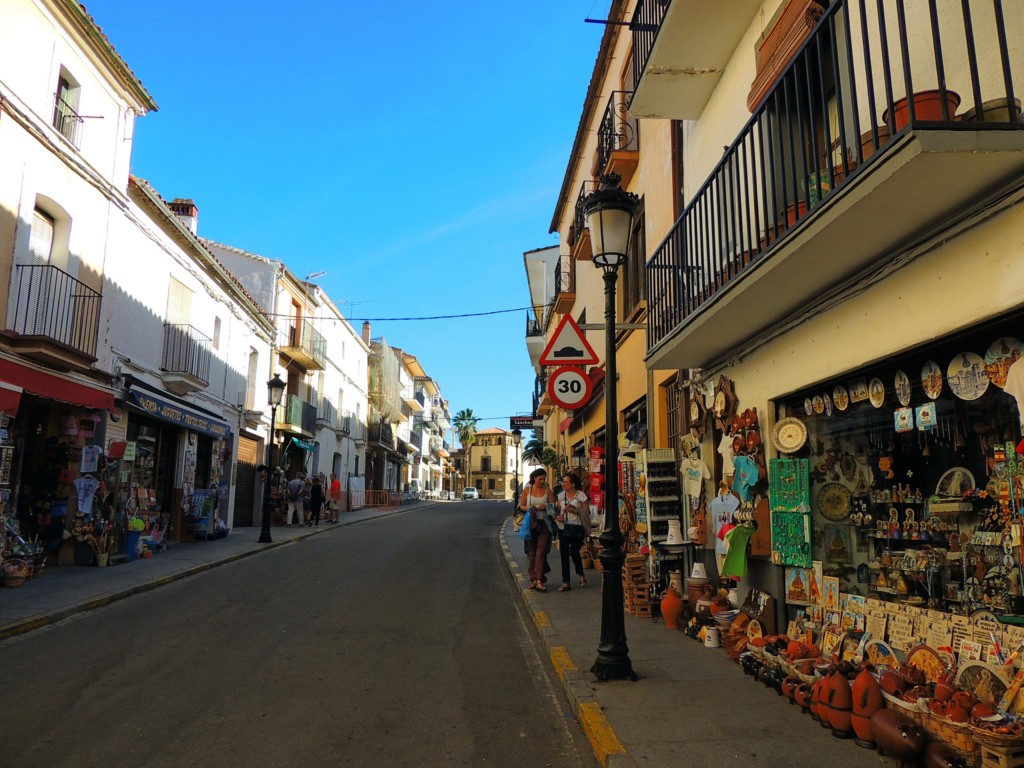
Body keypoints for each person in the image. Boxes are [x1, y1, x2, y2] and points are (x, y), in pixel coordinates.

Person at [518, 468, 556, 591]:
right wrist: (532, 508)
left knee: (540, 553)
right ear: (534, 478)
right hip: (530, 525)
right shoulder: (527, 490)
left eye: (544, 479)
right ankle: (534, 579)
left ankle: (539, 580)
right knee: (532, 554)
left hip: (544, 524)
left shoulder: (547, 491)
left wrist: (547, 506)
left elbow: (554, 507)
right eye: (540, 479)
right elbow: (521, 506)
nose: (542, 481)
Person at [555, 472, 590, 591]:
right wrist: (557, 517)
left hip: (577, 527)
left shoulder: (581, 496)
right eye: (563, 482)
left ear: (573, 484)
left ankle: (580, 573)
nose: (563, 484)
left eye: (566, 482)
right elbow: (557, 510)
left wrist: (576, 510)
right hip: (563, 528)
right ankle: (566, 582)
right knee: (564, 554)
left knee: (575, 552)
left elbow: (587, 512)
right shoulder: (560, 496)